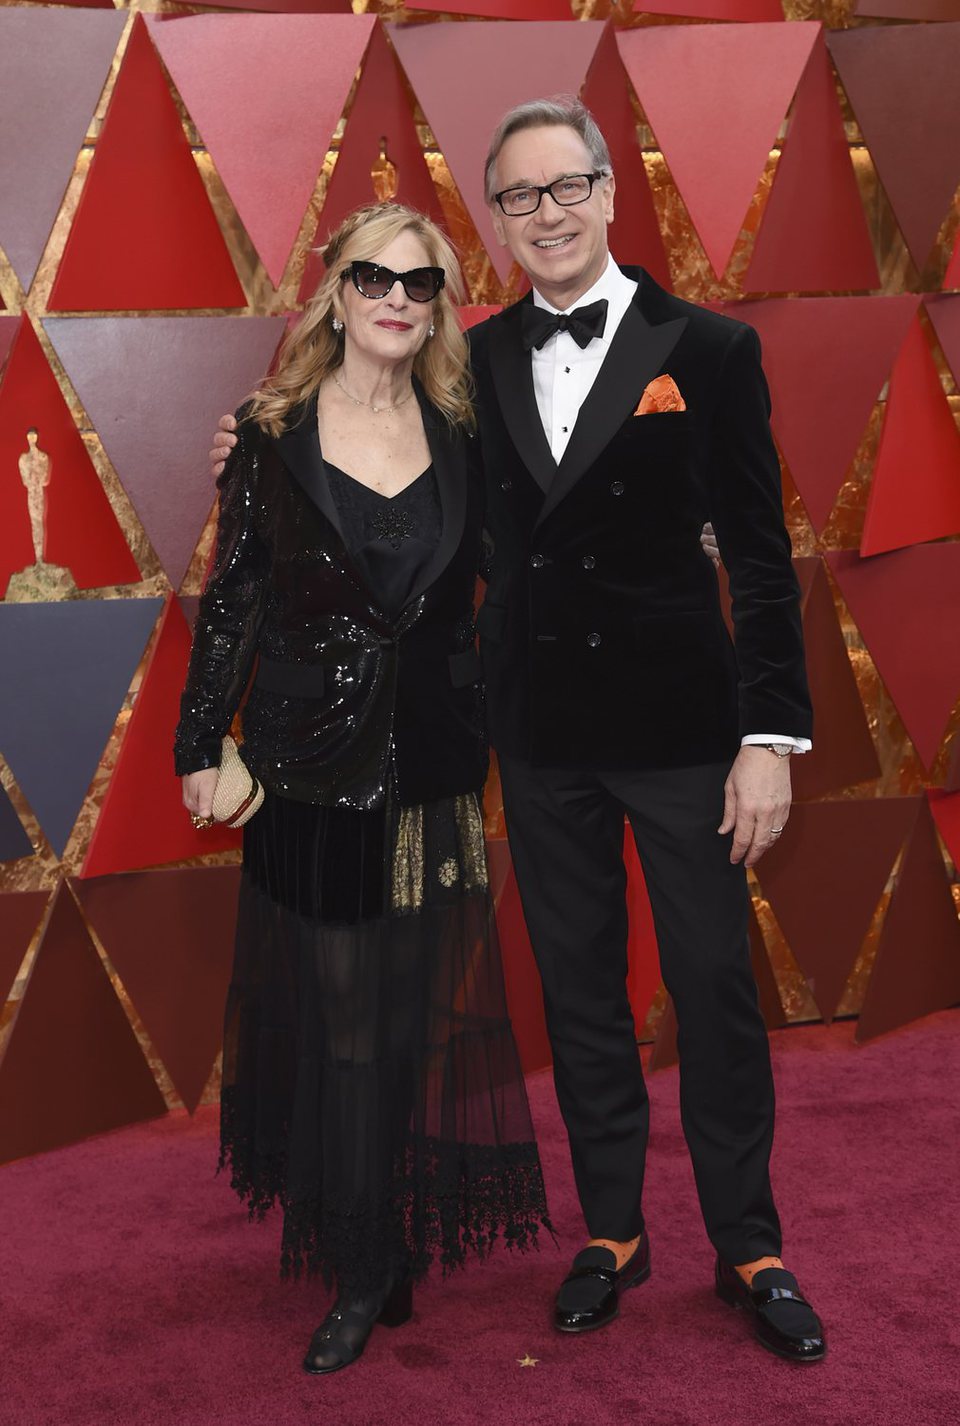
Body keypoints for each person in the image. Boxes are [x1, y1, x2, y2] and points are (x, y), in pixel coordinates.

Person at [211, 97, 826, 1364]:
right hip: (536, 738)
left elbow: (762, 561)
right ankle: (612, 1232)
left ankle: (749, 1240)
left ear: (610, 193)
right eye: (517, 197)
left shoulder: (706, 350)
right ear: (494, 221)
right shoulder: (474, 364)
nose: (545, 214)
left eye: (565, 188)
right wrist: (256, 451)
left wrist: (770, 739)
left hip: (687, 737)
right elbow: (377, 464)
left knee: (711, 986)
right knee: (582, 991)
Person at [177, 202, 550, 1378]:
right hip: (308, 771)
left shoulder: (465, 430)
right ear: (336, 290)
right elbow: (233, 599)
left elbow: (521, 567)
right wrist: (201, 745)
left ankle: (376, 1240)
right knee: (342, 1028)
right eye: (374, 275)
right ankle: (358, 1257)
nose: (397, 296)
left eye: (421, 282)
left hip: (436, 768)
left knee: (405, 1021)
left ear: (439, 305)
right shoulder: (272, 432)